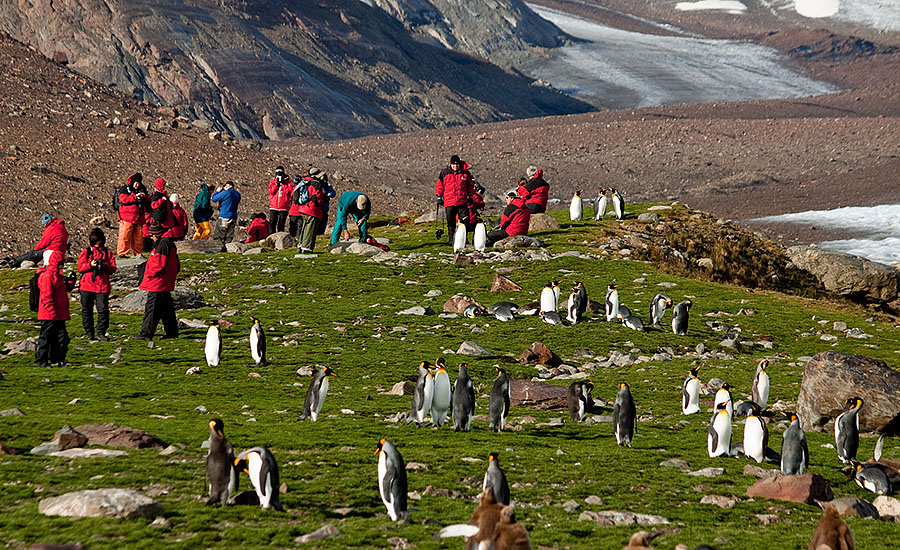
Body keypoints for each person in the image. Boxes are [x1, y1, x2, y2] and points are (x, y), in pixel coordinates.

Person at [136, 230, 179, 340]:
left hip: (158, 282)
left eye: (152, 235)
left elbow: (158, 264)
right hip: (165, 282)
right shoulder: (169, 243)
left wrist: (148, 274)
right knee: (167, 309)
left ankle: (146, 333)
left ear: (158, 234)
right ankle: (172, 332)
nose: (151, 238)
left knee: (152, 308)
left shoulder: (162, 245)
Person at [77, 228, 117, 341]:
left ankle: (101, 332)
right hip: (87, 285)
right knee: (87, 310)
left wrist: (104, 265)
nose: (98, 245)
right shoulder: (86, 252)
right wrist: (90, 265)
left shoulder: (107, 253)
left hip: (102, 286)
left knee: (103, 310)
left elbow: (113, 269)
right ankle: (90, 333)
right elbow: (80, 268)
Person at [35, 251, 70, 367]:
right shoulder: (49, 276)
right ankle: (42, 360)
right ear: (56, 263)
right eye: (61, 263)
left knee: (60, 338)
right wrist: (52, 311)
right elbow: (46, 296)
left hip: (56, 313)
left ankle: (57, 359)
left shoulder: (55, 275)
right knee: (47, 337)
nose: (62, 266)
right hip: (51, 313)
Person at [3, 213, 70, 268]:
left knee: (33, 254)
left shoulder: (51, 228)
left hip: (52, 251)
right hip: (60, 252)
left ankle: (14, 261)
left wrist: (36, 248)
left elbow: (44, 242)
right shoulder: (61, 227)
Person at [435, 154, 476, 244]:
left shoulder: (465, 173)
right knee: (451, 222)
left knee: (465, 221)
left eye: (457, 165)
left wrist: (470, 196)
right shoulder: (444, 173)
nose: (455, 167)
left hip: (462, 201)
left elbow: (470, 185)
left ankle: (464, 239)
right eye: (454, 165)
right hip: (449, 201)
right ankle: (451, 240)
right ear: (450, 164)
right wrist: (439, 196)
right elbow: (439, 185)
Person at [295, 168, 326, 253]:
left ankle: (300, 246)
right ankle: (306, 248)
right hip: (312, 209)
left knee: (304, 228)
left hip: (303, 208)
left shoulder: (304, 182)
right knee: (310, 229)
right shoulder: (316, 185)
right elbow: (318, 200)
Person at [116, 172, 147, 256]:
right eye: (136, 182)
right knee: (125, 235)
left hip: (138, 217)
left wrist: (144, 196)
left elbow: (148, 199)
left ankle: (138, 253)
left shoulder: (142, 189)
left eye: (138, 183)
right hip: (127, 217)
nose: (137, 184)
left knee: (138, 237)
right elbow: (123, 199)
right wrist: (135, 197)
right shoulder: (125, 189)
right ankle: (122, 252)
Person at [211, 181, 241, 251]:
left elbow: (214, 199)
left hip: (224, 216)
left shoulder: (227, 192)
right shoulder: (238, 194)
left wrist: (218, 192)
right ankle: (227, 250)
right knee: (229, 236)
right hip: (233, 216)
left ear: (228, 185)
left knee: (220, 234)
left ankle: (218, 250)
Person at [268, 166, 292, 234]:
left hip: (284, 206)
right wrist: (276, 185)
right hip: (273, 205)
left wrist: (283, 184)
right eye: (277, 173)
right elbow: (271, 191)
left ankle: (281, 238)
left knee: (281, 224)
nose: (279, 175)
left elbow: (289, 192)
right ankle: (271, 237)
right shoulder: (273, 181)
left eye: (280, 173)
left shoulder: (287, 182)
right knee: (272, 222)